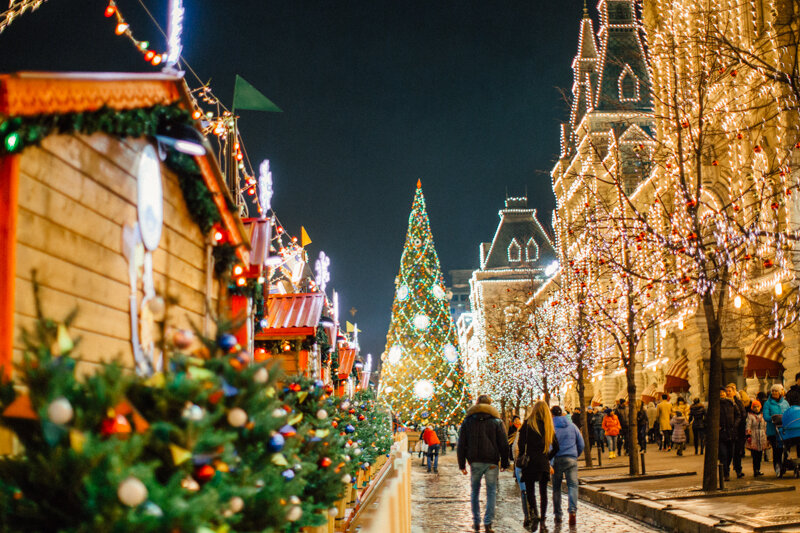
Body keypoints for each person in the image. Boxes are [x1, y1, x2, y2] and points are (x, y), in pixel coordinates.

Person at [457, 394, 509, 533]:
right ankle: (488, 523)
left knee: (475, 491)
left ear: (477, 403)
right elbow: (503, 443)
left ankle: (476, 522)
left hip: (475, 462)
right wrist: (505, 462)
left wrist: (462, 464)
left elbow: (461, 444)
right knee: (491, 492)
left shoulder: (468, 421)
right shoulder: (497, 421)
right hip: (492, 461)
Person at [518, 401, 559, 527]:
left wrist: (521, 455)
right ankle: (543, 515)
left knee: (530, 490)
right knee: (543, 491)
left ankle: (535, 513)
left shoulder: (527, 424)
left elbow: (521, 443)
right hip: (542, 461)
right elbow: (557, 447)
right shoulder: (547, 426)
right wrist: (547, 457)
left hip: (530, 461)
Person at [551, 406, 583, 527]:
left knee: (556, 488)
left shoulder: (551, 428)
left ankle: (558, 515)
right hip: (571, 459)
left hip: (557, 460)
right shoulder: (572, 426)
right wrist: (575, 455)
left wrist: (550, 461)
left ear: (552, 415)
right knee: (573, 486)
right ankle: (572, 511)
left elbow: (549, 446)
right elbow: (581, 443)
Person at [763, 384, 789, 477]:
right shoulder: (767, 403)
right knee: (777, 451)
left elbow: (789, 413)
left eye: (776, 391)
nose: (774, 392)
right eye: (773, 391)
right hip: (773, 431)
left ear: (781, 392)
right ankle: (778, 468)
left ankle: (785, 466)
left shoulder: (785, 403)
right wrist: (774, 418)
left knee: (786, 450)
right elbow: (765, 416)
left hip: (784, 431)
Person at [726, 383, 747, 478]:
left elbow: (743, 415)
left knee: (737, 452)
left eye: (730, 391)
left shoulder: (738, 403)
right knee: (728, 452)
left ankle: (738, 469)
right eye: (727, 391)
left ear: (734, 392)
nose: (728, 393)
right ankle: (726, 471)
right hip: (727, 431)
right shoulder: (724, 403)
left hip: (738, 431)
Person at [719, 387, 739, 481]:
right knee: (723, 454)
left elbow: (738, 415)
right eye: (720, 392)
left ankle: (726, 470)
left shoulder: (731, 403)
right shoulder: (715, 405)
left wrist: (734, 425)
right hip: (721, 433)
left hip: (731, 433)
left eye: (723, 392)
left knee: (730, 454)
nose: (722, 394)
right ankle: (725, 473)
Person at [745, 399, 769, 477]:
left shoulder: (762, 415)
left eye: (758, 407)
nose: (756, 408)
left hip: (762, 435)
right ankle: (755, 469)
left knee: (760, 454)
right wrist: (748, 435)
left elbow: (765, 425)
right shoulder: (750, 416)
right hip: (754, 435)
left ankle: (758, 469)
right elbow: (748, 425)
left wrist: (766, 434)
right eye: (754, 407)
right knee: (755, 454)